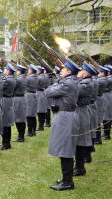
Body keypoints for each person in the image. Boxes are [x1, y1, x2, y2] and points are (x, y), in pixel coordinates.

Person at [45, 59, 80, 191]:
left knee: (65, 150)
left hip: (65, 117)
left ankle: (68, 182)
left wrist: (53, 84)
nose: (61, 70)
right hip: (64, 116)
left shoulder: (67, 84)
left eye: (64, 68)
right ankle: (66, 178)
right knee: (63, 148)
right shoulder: (67, 82)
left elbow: (48, 92)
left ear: (69, 71)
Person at [73, 62, 97, 177]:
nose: (78, 72)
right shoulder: (83, 82)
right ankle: (78, 166)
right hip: (79, 111)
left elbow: (72, 91)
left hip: (81, 112)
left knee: (80, 141)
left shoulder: (86, 84)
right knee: (78, 141)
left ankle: (80, 168)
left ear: (84, 74)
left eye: (80, 70)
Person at [0, 63, 16, 150]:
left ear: (8, 71)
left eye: (5, 69)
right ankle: (6, 142)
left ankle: (5, 143)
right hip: (8, 100)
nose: (4, 70)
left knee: (4, 123)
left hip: (5, 100)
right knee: (6, 123)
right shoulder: (11, 79)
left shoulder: (7, 80)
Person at [94, 66, 108, 144]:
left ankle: (97, 138)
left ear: (103, 73)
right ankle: (98, 138)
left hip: (98, 99)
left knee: (97, 119)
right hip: (99, 98)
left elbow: (93, 81)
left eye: (100, 72)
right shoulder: (102, 79)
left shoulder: (100, 80)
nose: (98, 73)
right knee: (97, 119)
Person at [13, 65, 28, 142]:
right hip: (22, 97)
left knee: (18, 118)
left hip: (17, 98)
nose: (16, 72)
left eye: (17, 70)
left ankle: (20, 136)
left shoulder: (18, 79)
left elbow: (12, 87)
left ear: (19, 71)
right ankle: (21, 136)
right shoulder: (25, 77)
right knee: (21, 117)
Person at [25, 64, 38, 137]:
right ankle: (34, 130)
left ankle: (30, 131)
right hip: (34, 95)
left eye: (29, 69)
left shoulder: (29, 78)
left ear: (31, 71)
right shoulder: (36, 77)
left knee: (29, 114)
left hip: (29, 95)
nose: (28, 71)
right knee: (33, 114)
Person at [102, 65, 112, 140]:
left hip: (107, 96)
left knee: (107, 116)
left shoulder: (108, 79)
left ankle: (107, 134)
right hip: (107, 95)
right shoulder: (108, 78)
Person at [36, 66, 47, 131]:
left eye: (37, 70)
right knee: (42, 110)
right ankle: (41, 125)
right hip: (43, 92)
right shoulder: (45, 76)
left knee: (40, 111)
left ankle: (40, 126)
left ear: (39, 71)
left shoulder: (39, 77)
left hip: (39, 93)